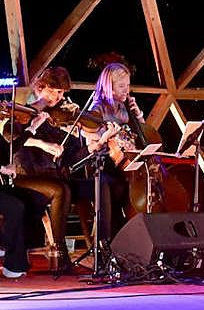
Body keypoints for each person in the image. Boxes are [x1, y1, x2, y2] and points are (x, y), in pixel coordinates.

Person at [1, 66, 93, 274]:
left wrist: (85, 141)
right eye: (56, 91)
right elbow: (10, 137)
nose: (59, 97)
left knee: (64, 188)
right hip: (22, 175)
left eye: (62, 93)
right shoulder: (24, 110)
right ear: (42, 87)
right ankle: (59, 253)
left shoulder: (54, 116)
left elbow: (70, 153)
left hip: (46, 175)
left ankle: (61, 252)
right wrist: (43, 143)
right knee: (60, 190)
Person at [83, 62, 144, 251]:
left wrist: (139, 116)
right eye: (121, 86)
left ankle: (131, 241)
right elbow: (91, 146)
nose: (126, 90)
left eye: (128, 85)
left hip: (124, 165)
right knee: (108, 186)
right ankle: (105, 245)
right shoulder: (97, 108)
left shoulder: (125, 107)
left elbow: (143, 137)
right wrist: (104, 137)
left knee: (129, 187)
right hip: (102, 164)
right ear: (109, 86)